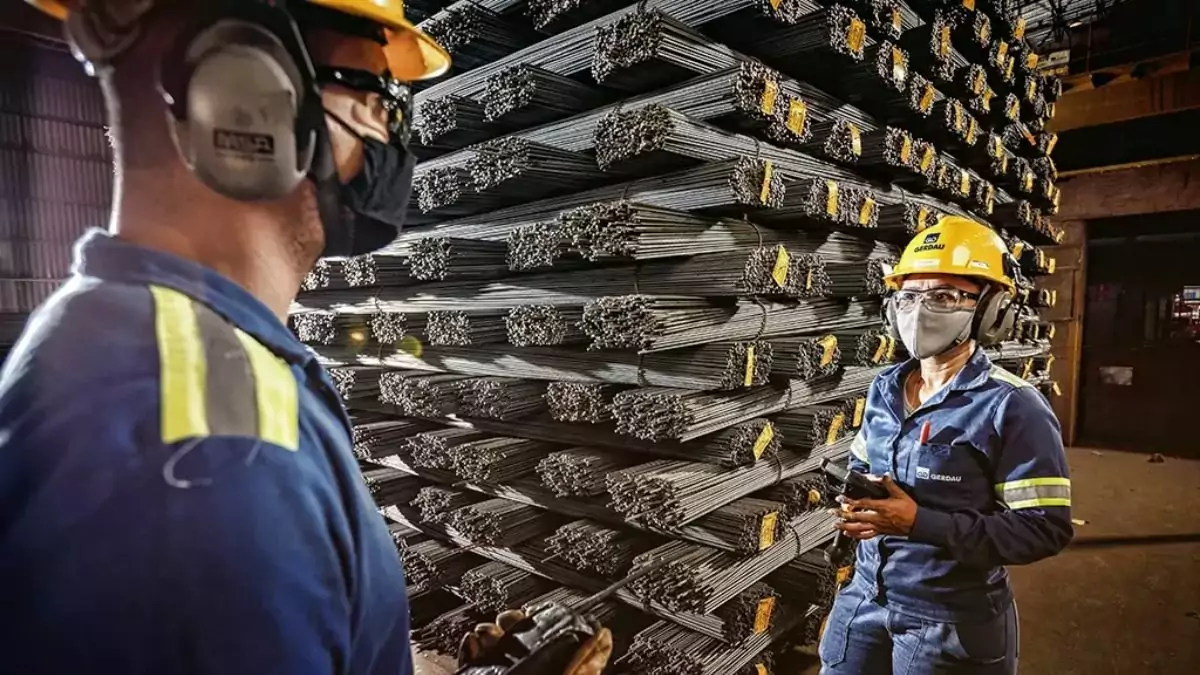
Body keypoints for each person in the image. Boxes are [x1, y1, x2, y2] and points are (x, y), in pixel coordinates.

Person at [0, 1, 450, 673]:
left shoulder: (112, 337)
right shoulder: (217, 457)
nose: (389, 134)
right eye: (374, 97)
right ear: (246, 97)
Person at [819, 216, 1074, 675]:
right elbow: (864, 466)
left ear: (991, 309)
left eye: (944, 296)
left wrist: (919, 523)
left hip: (950, 619)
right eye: (908, 296)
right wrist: (860, 508)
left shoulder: (1013, 406)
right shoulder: (884, 388)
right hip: (864, 598)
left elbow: (1043, 529)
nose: (920, 311)